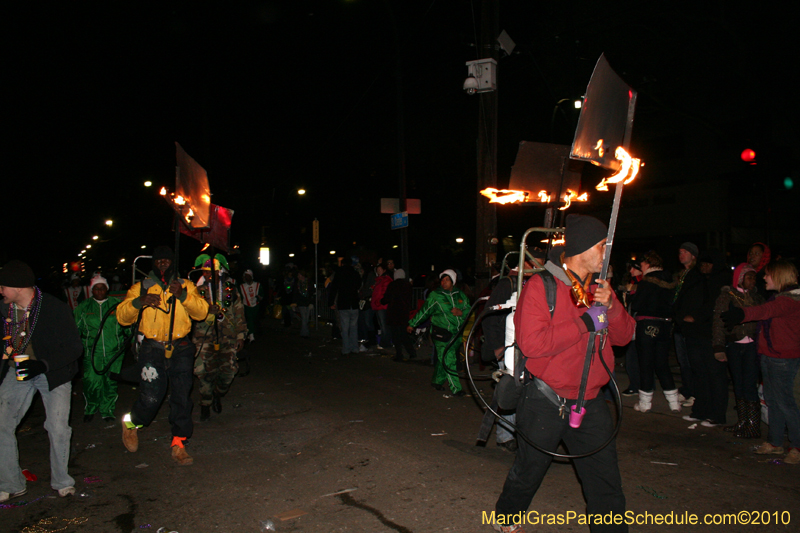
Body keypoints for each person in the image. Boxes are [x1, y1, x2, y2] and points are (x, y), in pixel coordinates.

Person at [491, 215, 634, 533]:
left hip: (591, 402)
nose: (607, 252)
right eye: (602, 245)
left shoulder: (600, 289)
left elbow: (625, 337)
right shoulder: (542, 286)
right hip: (546, 400)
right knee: (529, 469)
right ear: (583, 247)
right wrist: (585, 323)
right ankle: (507, 516)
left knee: (605, 482)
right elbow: (534, 343)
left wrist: (611, 307)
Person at [115, 246, 209, 466]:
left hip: (181, 348)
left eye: (168, 260)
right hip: (152, 349)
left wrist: (183, 296)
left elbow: (202, 312)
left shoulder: (186, 285)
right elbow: (122, 317)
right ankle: (131, 423)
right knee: (151, 396)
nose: (163, 263)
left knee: (181, 397)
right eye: (159, 260)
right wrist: (140, 302)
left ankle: (179, 443)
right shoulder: (141, 288)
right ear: (154, 264)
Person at [0, 260, 83, 502]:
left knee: (57, 428)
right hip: (18, 374)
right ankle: (11, 483)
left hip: (53, 374)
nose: (0, 290)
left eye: (3, 286)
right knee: (1, 424)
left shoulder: (53, 308)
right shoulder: (4, 311)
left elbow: (74, 348)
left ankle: (62, 481)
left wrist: (43, 365)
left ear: (17, 287)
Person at [722, 260, 800, 464]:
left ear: (780, 276)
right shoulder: (780, 298)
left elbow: (764, 311)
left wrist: (741, 314)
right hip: (770, 356)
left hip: (783, 358)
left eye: (768, 274)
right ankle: (775, 442)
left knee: (785, 403)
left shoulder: (789, 300)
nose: (764, 278)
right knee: (773, 402)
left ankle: (797, 446)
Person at [192, 254, 247, 422]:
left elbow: (238, 312)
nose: (209, 274)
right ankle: (205, 403)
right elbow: (191, 313)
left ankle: (218, 393)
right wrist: (207, 311)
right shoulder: (197, 290)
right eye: (206, 271)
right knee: (204, 372)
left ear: (220, 271)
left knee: (229, 371)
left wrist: (240, 335)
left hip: (227, 337)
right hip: (204, 338)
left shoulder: (230, 288)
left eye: (212, 271)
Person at [712, 263, 763, 437]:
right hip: (734, 345)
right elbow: (719, 322)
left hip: (751, 347)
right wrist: (718, 346)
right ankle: (743, 423)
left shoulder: (757, 298)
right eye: (749, 277)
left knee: (749, 384)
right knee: (739, 384)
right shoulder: (727, 296)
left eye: (754, 277)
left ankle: (753, 426)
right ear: (740, 279)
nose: (752, 280)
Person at [629, 251, 680, 413]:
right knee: (662, 363)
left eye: (642, 264)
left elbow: (637, 305)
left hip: (647, 325)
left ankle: (645, 403)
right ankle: (674, 402)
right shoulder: (670, 280)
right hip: (665, 325)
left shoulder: (647, 282)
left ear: (648, 264)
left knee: (646, 363)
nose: (641, 267)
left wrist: (632, 295)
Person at [407, 269, 471, 397]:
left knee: (445, 359)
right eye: (442, 280)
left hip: (456, 333)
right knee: (449, 359)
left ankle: (437, 381)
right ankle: (456, 388)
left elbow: (469, 309)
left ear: (453, 281)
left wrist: (461, 313)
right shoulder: (436, 295)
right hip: (441, 333)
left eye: (447, 280)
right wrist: (413, 324)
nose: (444, 282)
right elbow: (424, 311)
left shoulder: (460, 294)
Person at [74, 275, 128, 423]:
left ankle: (107, 410)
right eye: (96, 288)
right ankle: (90, 408)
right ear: (92, 290)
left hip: (113, 353)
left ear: (107, 289)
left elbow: (127, 325)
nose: (99, 291)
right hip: (92, 353)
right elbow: (75, 329)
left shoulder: (117, 305)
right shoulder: (83, 308)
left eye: (102, 288)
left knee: (110, 382)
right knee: (91, 381)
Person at [672, 242, 701, 408]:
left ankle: (696, 392)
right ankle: (687, 389)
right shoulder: (681, 275)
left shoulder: (696, 275)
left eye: (685, 252)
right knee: (683, 360)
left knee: (692, 360)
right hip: (679, 323)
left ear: (693, 255)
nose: (681, 255)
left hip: (689, 324)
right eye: (680, 252)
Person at [328, 260, 362, 355]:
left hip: (343, 303)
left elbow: (334, 288)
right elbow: (359, 285)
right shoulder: (355, 273)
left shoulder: (339, 274)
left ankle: (346, 349)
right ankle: (355, 348)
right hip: (354, 303)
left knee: (345, 327)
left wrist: (330, 302)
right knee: (354, 327)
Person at [381, 268, 416, 362]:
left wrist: (382, 301)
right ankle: (411, 352)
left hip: (394, 312)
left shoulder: (392, 285)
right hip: (404, 313)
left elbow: (386, 298)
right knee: (404, 334)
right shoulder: (408, 285)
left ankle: (399, 354)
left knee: (396, 335)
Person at [620, 261, 643, 396]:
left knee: (636, 356)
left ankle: (639, 386)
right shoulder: (630, 283)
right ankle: (636, 385)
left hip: (639, 323)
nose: (631, 271)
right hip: (630, 321)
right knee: (632, 356)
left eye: (634, 268)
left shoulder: (642, 284)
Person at [371, 263, 393, 351]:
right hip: (378, 305)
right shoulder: (379, 280)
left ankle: (385, 343)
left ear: (384, 270)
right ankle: (385, 342)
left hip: (382, 306)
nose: (378, 271)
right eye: (377, 270)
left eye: (380, 269)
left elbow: (384, 293)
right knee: (382, 326)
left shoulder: (385, 280)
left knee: (384, 326)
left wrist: (378, 301)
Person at [239, 269, 264, 341]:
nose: (246, 278)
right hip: (246, 305)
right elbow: (240, 296)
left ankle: (253, 333)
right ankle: (251, 335)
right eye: (245, 276)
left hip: (256, 305)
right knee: (249, 319)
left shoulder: (257, 285)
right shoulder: (242, 286)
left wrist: (258, 297)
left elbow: (261, 294)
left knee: (255, 320)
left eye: (248, 276)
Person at [293, 270, 314, 338]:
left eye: (299, 275)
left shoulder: (309, 282)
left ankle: (304, 332)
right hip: (301, 302)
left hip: (307, 302)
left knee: (306, 318)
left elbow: (311, 292)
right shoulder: (297, 283)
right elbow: (295, 293)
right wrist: (295, 302)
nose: (298, 276)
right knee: (304, 317)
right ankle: (304, 333)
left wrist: (311, 302)